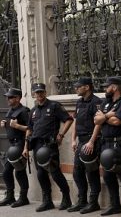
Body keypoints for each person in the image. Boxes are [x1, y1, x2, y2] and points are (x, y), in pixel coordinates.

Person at [22, 83, 73, 212]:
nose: (39, 95)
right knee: (41, 174)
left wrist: (61, 134)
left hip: (50, 145)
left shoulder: (54, 106)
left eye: (41, 92)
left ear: (45, 92)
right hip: (37, 146)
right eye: (37, 92)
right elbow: (29, 129)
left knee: (55, 173)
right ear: (33, 94)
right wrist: (25, 147)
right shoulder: (33, 110)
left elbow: (68, 119)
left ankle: (66, 198)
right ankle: (47, 201)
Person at [94, 77, 121, 217]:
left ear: (114, 87)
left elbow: (118, 121)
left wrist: (104, 118)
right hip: (106, 143)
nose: (104, 89)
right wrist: (108, 116)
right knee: (107, 176)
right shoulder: (105, 102)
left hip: (119, 145)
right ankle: (115, 205)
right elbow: (96, 120)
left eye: (107, 87)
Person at [68, 77, 103, 214]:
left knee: (92, 172)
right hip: (81, 141)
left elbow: (98, 123)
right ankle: (82, 201)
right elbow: (75, 122)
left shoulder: (96, 102)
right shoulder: (79, 102)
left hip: (90, 141)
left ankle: (93, 202)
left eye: (79, 86)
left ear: (87, 87)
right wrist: (73, 140)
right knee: (77, 172)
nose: (76, 88)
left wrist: (92, 142)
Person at [0, 88, 29, 207]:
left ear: (17, 98)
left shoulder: (24, 111)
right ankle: (10, 196)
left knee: (19, 172)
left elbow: (30, 128)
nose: (8, 99)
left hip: (20, 144)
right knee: (6, 172)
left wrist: (17, 126)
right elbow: (11, 124)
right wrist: (4, 124)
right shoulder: (11, 110)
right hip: (12, 145)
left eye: (10, 97)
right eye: (7, 97)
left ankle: (23, 198)